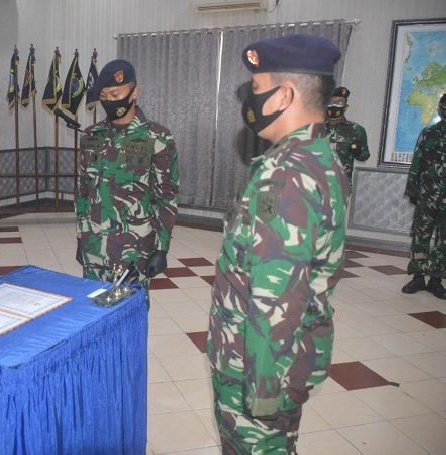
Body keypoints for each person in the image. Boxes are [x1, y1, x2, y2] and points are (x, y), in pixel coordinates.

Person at [207, 35, 348, 453]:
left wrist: (263, 394)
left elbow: (274, 301)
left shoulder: (285, 175)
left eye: (257, 88)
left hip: (256, 369)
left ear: (284, 95)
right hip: (287, 358)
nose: (251, 100)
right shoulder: (319, 157)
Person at [75, 59, 179, 291]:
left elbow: (167, 197)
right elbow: (82, 191)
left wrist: (161, 248)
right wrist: (81, 235)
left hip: (134, 250)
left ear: (135, 92)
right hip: (94, 246)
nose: (110, 101)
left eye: (116, 94)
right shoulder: (91, 136)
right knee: (91, 306)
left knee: (130, 309)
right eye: (104, 96)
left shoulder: (158, 137)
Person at [401, 93, 446, 299]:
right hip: (427, 195)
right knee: (420, 236)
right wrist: (412, 190)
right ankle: (418, 277)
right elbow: (417, 161)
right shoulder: (428, 133)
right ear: (439, 108)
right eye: (443, 107)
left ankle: (436, 279)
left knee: (444, 241)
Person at [325, 86, 370, 191]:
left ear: (345, 107)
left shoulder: (356, 130)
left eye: (339, 102)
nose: (334, 105)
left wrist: (357, 150)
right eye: (331, 101)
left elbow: (363, 156)